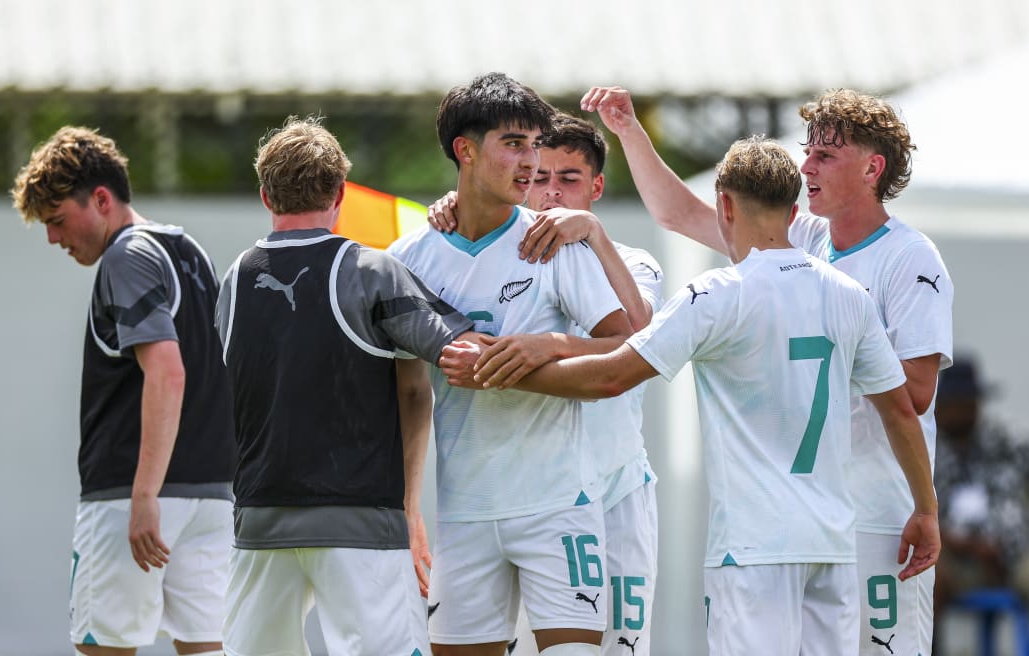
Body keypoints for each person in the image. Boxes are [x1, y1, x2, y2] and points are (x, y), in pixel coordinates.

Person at [444, 136, 941, 654]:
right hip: (832, 547)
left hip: (752, 550)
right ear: (794, 211)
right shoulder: (848, 293)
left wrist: (496, 368)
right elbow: (902, 412)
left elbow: (611, 377)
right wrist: (925, 510)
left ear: (724, 204)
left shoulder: (717, 295)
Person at [580, 85, 954, 654]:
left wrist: (811, 334)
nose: (806, 167)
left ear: (872, 168)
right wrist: (629, 130)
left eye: (825, 156)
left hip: (880, 516)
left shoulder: (911, 258)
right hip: (809, 521)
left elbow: (919, 393)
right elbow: (678, 213)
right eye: (807, 152)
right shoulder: (801, 240)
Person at [387, 73, 634, 656]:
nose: (531, 162)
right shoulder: (408, 258)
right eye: (514, 144)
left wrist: (548, 345)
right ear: (465, 151)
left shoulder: (554, 242)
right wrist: (407, 508)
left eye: (534, 144)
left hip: (558, 508)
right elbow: (410, 394)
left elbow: (626, 353)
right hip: (463, 514)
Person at [213, 116, 476, 656]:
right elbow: (461, 353)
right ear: (340, 193)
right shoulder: (372, 270)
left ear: (266, 194)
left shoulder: (234, 281)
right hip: (360, 526)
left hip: (259, 524)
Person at [428, 113, 664, 655]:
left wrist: (595, 238)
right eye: (541, 177)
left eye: (570, 179)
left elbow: (647, 338)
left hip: (616, 487)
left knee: (619, 647)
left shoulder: (632, 260)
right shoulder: (507, 248)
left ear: (597, 187)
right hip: (532, 489)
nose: (552, 192)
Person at [11, 127, 236, 656]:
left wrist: (143, 497)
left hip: (134, 503)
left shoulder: (125, 258)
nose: (53, 238)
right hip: (210, 500)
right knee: (207, 648)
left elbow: (168, 372)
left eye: (58, 220)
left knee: (105, 649)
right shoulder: (189, 251)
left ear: (102, 200)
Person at [933, 357, 1029, 637]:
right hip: (949, 556)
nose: (961, 410)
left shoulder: (1006, 441)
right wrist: (969, 545)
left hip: (1010, 553)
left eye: (968, 402)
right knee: (929, 580)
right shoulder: (927, 450)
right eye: (953, 403)